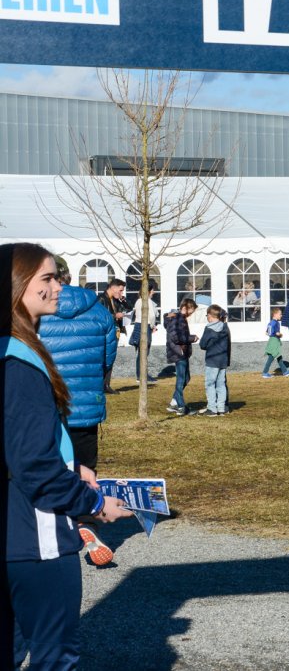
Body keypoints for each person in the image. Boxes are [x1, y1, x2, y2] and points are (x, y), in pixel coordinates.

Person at [2, 242, 132, 668]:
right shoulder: (19, 363)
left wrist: (72, 465)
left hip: (18, 529)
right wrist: (93, 504)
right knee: (55, 657)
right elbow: (34, 467)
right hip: (34, 537)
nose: (59, 286)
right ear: (17, 285)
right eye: (48, 278)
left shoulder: (15, 350)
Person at [38, 277, 119, 565]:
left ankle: (57, 523)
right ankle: (86, 519)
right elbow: (108, 357)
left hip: (49, 400)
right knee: (87, 466)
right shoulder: (99, 310)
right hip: (85, 401)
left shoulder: (38, 309)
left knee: (52, 463)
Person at [163, 298, 199, 416]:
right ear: (186, 307)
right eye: (192, 310)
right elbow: (176, 337)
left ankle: (174, 403)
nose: (191, 314)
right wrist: (192, 338)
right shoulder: (177, 318)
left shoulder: (179, 318)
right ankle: (181, 406)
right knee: (181, 379)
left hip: (181, 352)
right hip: (179, 352)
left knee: (186, 378)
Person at [96, 278, 128, 393]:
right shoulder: (101, 299)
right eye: (120, 290)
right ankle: (101, 385)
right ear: (113, 288)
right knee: (103, 358)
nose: (121, 293)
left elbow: (128, 308)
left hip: (114, 332)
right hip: (105, 333)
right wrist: (115, 316)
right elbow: (99, 316)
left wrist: (123, 301)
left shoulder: (115, 300)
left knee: (111, 358)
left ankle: (107, 385)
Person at [199, 304, 231, 415]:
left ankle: (212, 408)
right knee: (221, 384)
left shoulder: (209, 328)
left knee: (210, 384)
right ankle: (221, 408)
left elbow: (202, 344)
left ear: (210, 316)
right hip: (223, 360)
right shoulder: (225, 327)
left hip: (212, 359)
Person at [127, 278, 158, 384]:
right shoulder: (147, 301)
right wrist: (153, 326)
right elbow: (152, 316)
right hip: (145, 326)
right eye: (152, 290)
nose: (153, 292)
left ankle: (140, 375)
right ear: (148, 291)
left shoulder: (138, 301)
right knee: (144, 352)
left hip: (138, 325)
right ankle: (142, 375)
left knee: (140, 352)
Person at [262, 307, 289, 378]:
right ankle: (265, 372)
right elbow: (277, 333)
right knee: (271, 357)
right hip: (275, 341)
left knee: (278, 356)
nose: (281, 315)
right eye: (280, 314)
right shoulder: (276, 323)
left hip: (271, 340)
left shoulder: (270, 323)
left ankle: (285, 371)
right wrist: (281, 335)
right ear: (275, 314)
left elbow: (266, 333)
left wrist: (272, 334)